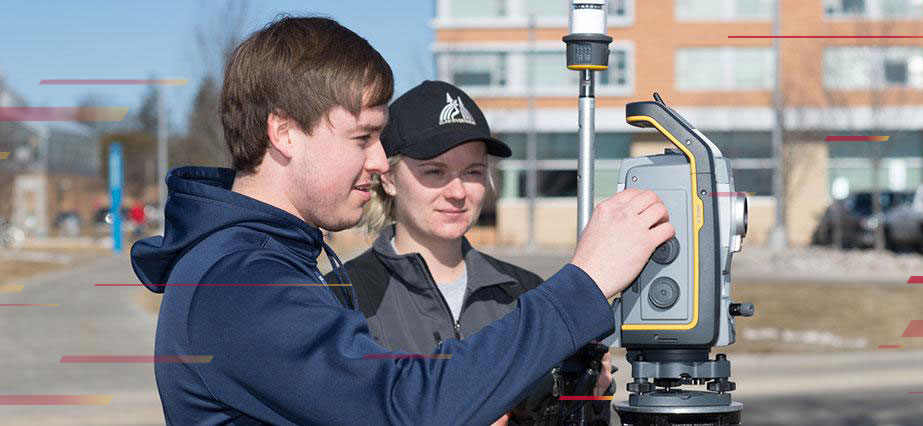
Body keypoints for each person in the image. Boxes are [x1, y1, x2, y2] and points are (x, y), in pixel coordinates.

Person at [130, 16, 674, 426]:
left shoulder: (270, 261)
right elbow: (405, 405)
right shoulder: (241, 280)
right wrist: (585, 283)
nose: (376, 159)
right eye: (363, 137)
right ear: (284, 132)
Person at [329, 80, 613, 425]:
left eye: (473, 172)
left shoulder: (529, 292)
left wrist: (588, 398)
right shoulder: (342, 300)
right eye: (435, 171)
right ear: (388, 178)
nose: (458, 191)